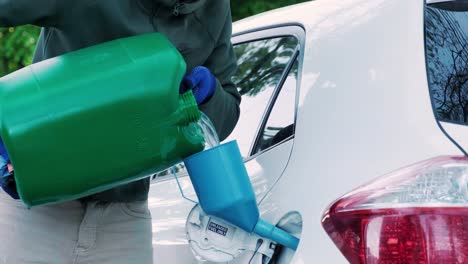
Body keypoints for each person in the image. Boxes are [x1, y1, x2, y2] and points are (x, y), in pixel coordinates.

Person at [0, 0, 241, 263]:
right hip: (34, 210)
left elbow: (227, 111)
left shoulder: (215, 9)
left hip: (125, 217)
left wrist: (209, 94)